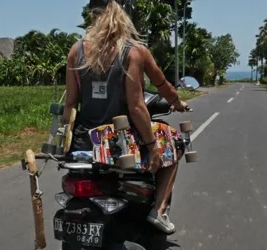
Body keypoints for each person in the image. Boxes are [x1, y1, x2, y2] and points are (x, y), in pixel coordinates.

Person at [62, 0, 187, 234]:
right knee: (176, 144)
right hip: (121, 141)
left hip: (84, 140)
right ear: (124, 18)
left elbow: (70, 104)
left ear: (93, 18)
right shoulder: (133, 51)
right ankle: (158, 211)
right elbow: (139, 106)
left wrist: (65, 141)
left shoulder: (75, 50)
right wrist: (153, 146)